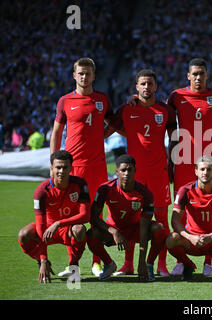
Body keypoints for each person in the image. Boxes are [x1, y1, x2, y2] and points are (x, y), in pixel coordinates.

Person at [106, 69, 176, 277]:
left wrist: (172, 164)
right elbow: (112, 127)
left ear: (156, 86)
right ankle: (128, 264)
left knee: (161, 219)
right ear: (137, 87)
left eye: (150, 84)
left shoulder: (165, 111)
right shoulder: (127, 108)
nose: (146, 87)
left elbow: (174, 137)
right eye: (143, 84)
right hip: (133, 174)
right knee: (131, 218)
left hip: (158, 172)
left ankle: (161, 265)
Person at [166, 58, 212, 276]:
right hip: (183, 161)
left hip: (208, 163)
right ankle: (183, 261)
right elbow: (164, 119)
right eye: (194, 74)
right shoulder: (176, 96)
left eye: (201, 73)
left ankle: (209, 263)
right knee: (182, 211)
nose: (198, 77)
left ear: (207, 75)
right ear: (188, 76)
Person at [50, 57, 114, 277]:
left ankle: (97, 262)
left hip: (97, 168)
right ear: (74, 75)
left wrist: (101, 135)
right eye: (81, 73)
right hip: (73, 168)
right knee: (73, 215)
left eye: (88, 73)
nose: (84, 77)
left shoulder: (102, 100)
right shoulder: (65, 101)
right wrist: (54, 164)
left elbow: (113, 122)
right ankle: (73, 264)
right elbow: (57, 132)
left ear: (94, 76)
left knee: (95, 215)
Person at [86, 154, 169, 281]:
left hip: (135, 230)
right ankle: (109, 264)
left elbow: (144, 225)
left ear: (135, 171)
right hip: (113, 230)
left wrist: (141, 261)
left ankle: (149, 265)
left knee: (160, 229)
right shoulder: (105, 189)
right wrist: (114, 231)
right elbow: (93, 217)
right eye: (123, 170)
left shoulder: (145, 193)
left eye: (130, 170)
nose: (126, 173)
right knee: (91, 234)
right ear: (117, 171)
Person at [17, 150, 90, 283]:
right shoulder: (41, 191)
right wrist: (43, 259)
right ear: (52, 168)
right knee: (23, 235)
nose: (61, 171)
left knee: (79, 230)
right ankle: (41, 263)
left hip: (68, 229)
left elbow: (85, 216)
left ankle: (74, 265)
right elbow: (40, 226)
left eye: (65, 167)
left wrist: (58, 224)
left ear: (71, 168)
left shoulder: (80, 184)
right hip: (47, 229)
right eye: (58, 167)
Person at [165, 156, 212, 281]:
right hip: (192, 241)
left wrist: (211, 236)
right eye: (202, 169)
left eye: (208, 169)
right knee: (170, 239)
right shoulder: (185, 190)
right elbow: (174, 220)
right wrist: (190, 237)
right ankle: (188, 264)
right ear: (196, 171)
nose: (205, 173)